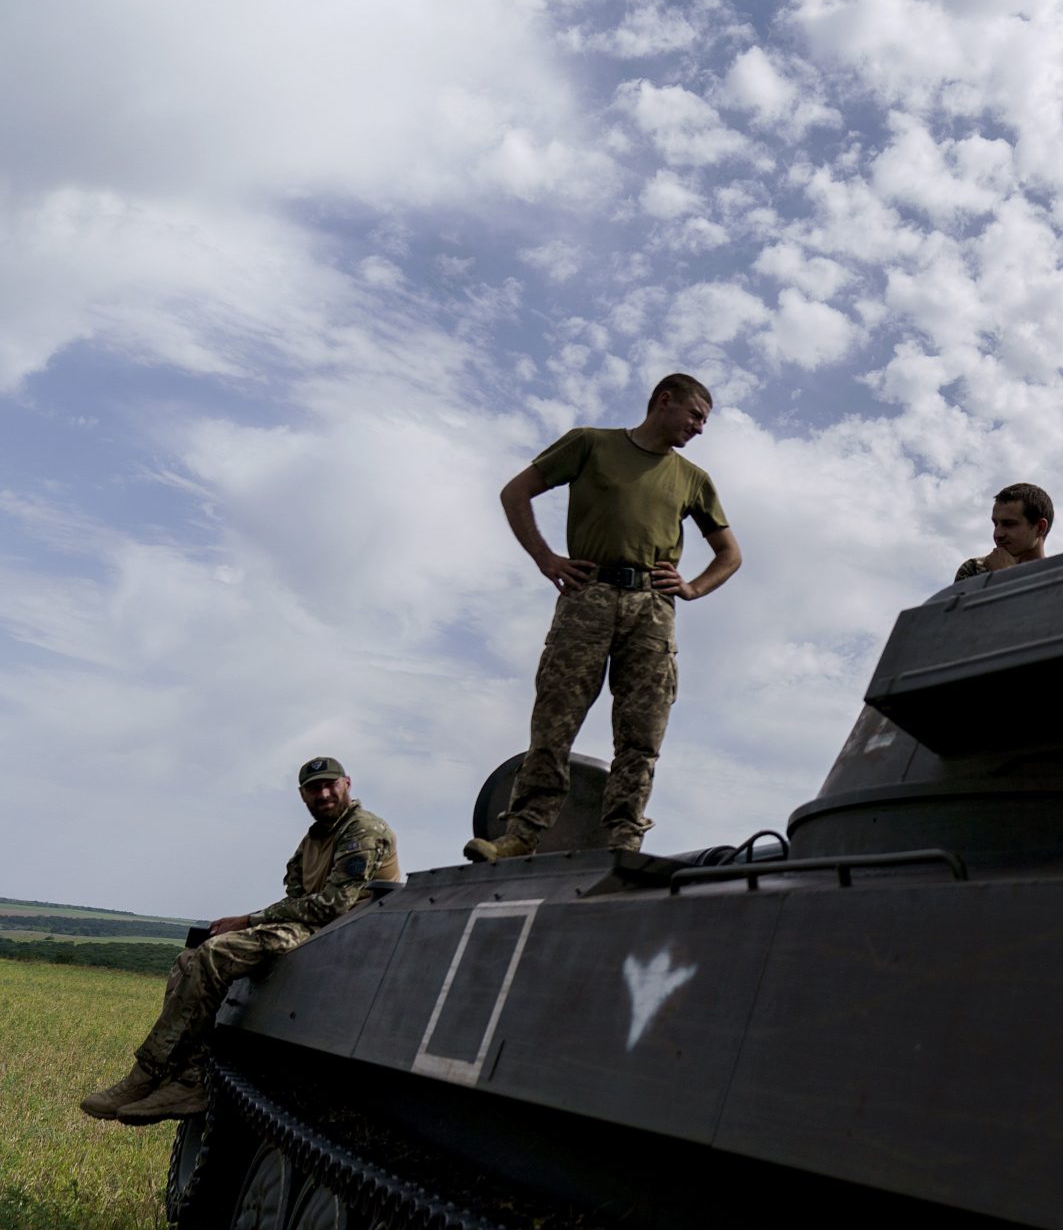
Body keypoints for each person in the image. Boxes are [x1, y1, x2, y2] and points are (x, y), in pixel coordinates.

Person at [467, 374, 742, 862]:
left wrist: (693, 588)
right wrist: (545, 558)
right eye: (696, 415)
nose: (700, 428)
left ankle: (623, 842)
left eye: (704, 421)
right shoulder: (590, 444)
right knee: (555, 720)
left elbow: (730, 553)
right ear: (665, 401)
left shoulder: (693, 479)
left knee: (642, 733)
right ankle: (522, 834)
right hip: (587, 595)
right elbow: (515, 493)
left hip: (652, 607)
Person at [79, 757, 399, 1125]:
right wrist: (248, 922)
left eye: (331, 785)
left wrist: (249, 920)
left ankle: (147, 1074)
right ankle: (186, 1077)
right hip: (318, 929)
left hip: (348, 933)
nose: (324, 794)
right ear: (302, 795)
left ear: (347, 784)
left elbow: (334, 905)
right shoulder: (314, 839)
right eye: (315, 788)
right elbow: (297, 899)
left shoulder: (363, 829)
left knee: (215, 953)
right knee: (190, 960)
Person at [955, 483, 1054, 581]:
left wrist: (1007, 575)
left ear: (1040, 528)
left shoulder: (1058, 576)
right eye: (995, 524)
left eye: (1009, 524)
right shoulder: (974, 570)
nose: (997, 534)